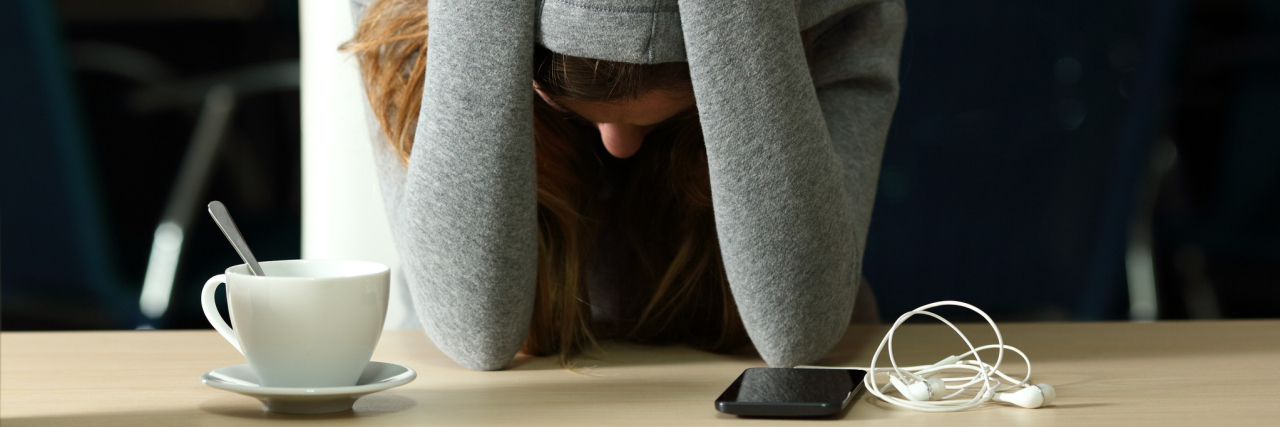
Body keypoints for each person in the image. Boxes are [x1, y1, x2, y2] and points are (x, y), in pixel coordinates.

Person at [344, 0, 905, 370]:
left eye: (666, 118)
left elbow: (797, 331)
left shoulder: (841, 16)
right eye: (572, 111)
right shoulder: (405, 17)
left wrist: (743, 22)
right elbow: (475, 332)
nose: (619, 147)